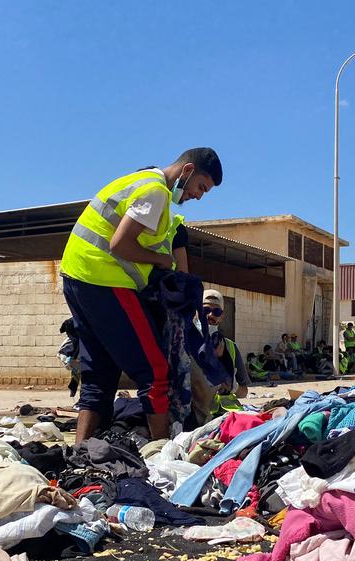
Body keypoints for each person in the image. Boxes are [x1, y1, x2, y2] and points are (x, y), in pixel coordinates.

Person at [60, 148, 222, 441]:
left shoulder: (138, 180)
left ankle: (79, 452)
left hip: (77, 276)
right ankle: (161, 450)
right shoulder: (155, 191)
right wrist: (160, 261)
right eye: (201, 187)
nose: (198, 196)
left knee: (100, 373)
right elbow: (120, 244)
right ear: (187, 170)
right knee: (156, 371)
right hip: (104, 280)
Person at [189, 289, 251, 422]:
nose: (210, 315)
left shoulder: (230, 347)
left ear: (222, 317)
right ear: (196, 312)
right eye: (205, 310)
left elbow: (243, 392)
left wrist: (232, 385)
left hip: (226, 415)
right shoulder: (184, 343)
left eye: (216, 311)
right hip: (194, 414)